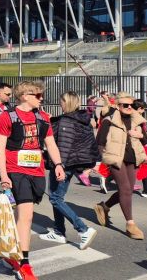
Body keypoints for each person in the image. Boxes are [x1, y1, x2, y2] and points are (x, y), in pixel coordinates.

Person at [0, 80, 67, 279]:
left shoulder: (43, 118)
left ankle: (11, 252)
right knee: (26, 216)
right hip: (15, 170)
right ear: (25, 96)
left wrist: (58, 164)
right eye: (38, 95)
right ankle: (24, 263)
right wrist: (3, 175)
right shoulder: (7, 117)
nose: (42, 98)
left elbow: (50, 144)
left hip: (37, 172)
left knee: (22, 216)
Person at [38, 91, 100, 249]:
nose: (60, 104)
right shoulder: (80, 118)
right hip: (73, 163)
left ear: (66, 102)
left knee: (55, 198)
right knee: (56, 196)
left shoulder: (67, 121)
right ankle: (59, 232)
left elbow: (64, 145)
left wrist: (60, 165)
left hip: (63, 163)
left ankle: (83, 229)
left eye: (62, 101)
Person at [93, 92, 147, 240]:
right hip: (116, 159)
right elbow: (99, 142)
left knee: (128, 190)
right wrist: (100, 161)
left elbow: (146, 140)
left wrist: (140, 135)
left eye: (131, 105)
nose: (129, 107)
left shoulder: (136, 120)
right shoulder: (109, 120)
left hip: (133, 159)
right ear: (118, 106)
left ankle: (104, 207)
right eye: (125, 105)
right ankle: (130, 224)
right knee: (125, 189)